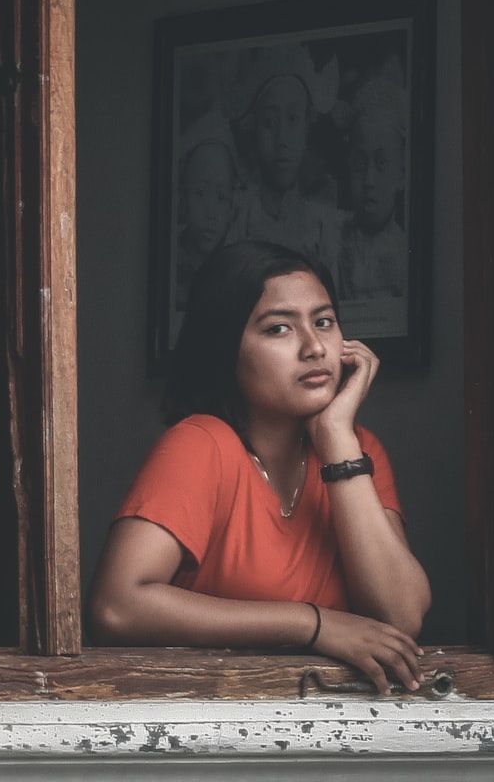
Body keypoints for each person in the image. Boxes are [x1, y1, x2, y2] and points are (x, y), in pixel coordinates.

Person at [87, 240, 432, 694]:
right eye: (278, 329)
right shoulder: (201, 445)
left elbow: (401, 617)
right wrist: (314, 625)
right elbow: (116, 607)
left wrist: (335, 438)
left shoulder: (356, 449)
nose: (314, 348)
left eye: (324, 322)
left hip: (340, 734)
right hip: (211, 725)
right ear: (227, 348)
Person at [222, 44, 343, 279]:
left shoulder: (323, 225)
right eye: (269, 122)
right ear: (253, 127)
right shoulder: (238, 220)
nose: (282, 140)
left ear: (307, 126)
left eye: (293, 119)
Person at [338, 77, 409, 300]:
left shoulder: (402, 253)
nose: (369, 180)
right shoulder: (333, 243)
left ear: (401, 174)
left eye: (381, 164)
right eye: (360, 164)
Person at [174, 111, 241, 309]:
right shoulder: (173, 267)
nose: (210, 213)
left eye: (221, 198)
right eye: (201, 194)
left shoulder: (237, 270)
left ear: (232, 207)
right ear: (183, 198)